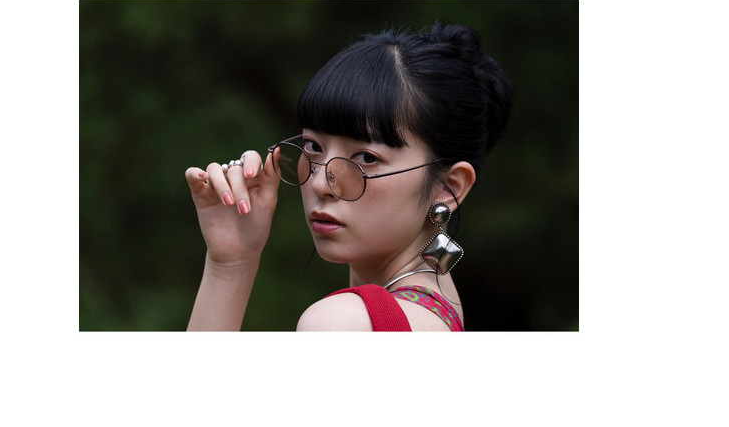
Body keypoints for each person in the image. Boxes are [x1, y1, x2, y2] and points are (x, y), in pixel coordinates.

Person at [185, 21, 512, 331]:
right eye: (313, 146)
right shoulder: (439, 310)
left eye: (366, 158)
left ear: (448, 187)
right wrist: (232, 262)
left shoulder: (340, 323)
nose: (319, 183)